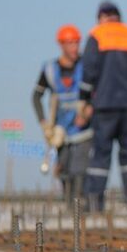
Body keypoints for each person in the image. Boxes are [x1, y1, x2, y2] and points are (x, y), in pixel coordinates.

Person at [79, 1, 127, 211]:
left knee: (101, 153)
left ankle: (94, 203)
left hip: (104, 105)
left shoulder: (97, 35)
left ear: (101, 17)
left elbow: (89, 71)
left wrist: (85, 99)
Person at [32, 24, 93, 204]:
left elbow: (98, 91)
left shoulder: (87, 66)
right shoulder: (50, 70)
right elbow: (36, 96)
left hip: (84, 129)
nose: (75, 47)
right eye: (70, 43)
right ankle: (69, 208)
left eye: (77, 43)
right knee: (64, 169)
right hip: (61, 130)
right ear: (61, 45)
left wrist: (88, 111)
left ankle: (81, 210)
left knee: (79, 170)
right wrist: (44, 123)